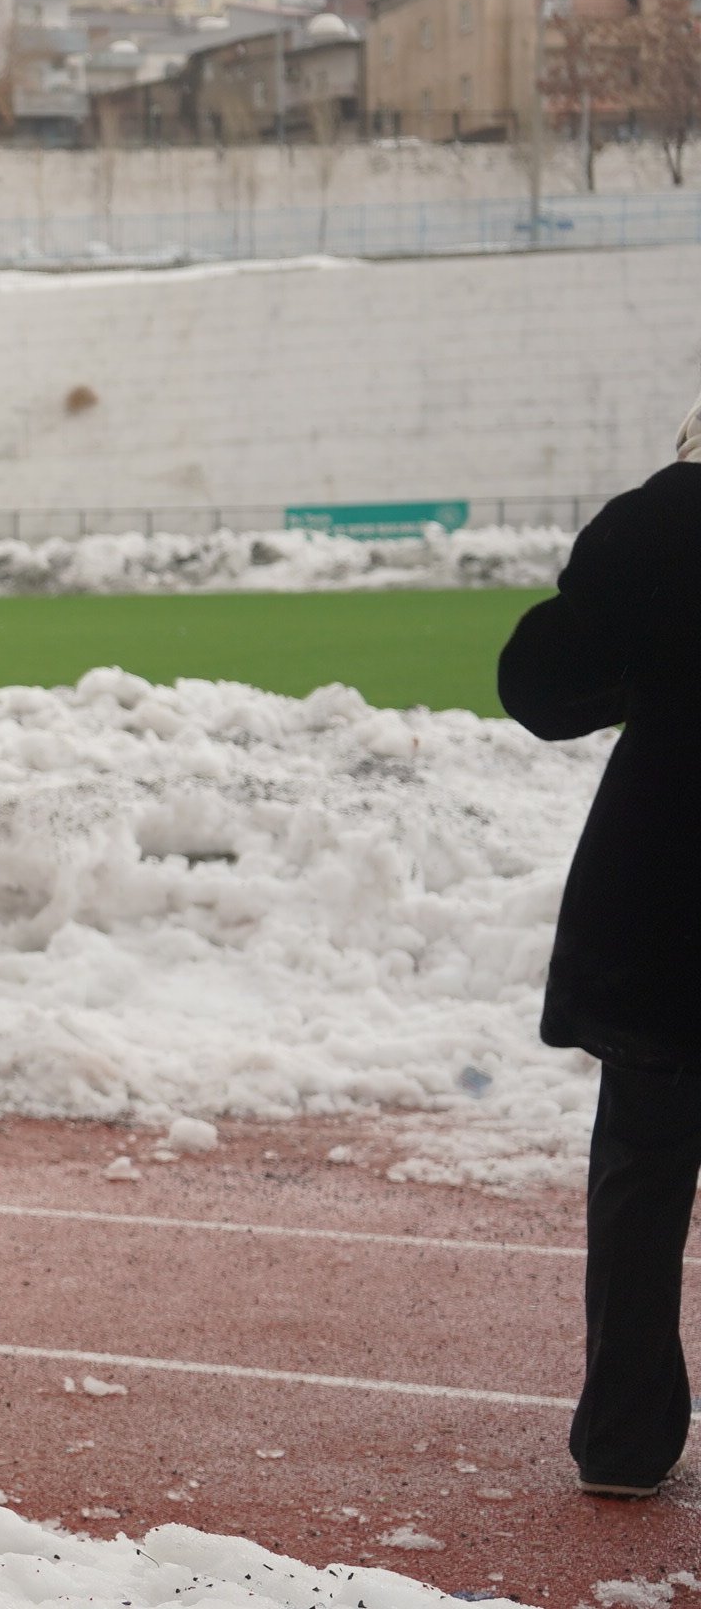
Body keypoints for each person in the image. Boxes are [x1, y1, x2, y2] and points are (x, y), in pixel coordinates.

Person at [496, 390, 701, 1502]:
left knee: (641, 1170)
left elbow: (538, 685)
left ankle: (623, 1437)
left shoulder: (659, 520)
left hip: (667, 897)